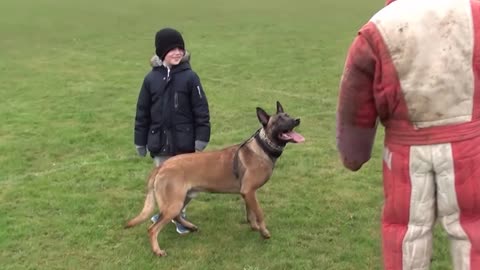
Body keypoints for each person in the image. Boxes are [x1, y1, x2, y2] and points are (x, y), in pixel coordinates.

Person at [336, 0, 480, 269]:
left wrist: (353, 154)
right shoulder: (474, 12)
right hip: (470, 148)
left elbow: (355, 102)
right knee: (474, 230)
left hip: (406, 154)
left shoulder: (377, 28)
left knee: (404, 233)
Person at [134, 27, 211, 234]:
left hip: (184, 144)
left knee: (190, 186)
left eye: (180, 48)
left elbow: (201, 110)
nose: (177, 52)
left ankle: (178, 213)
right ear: (161, 52)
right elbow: (142, 112)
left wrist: (201, 139)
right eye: (172, 49)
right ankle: (169, 212)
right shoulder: (151, 79)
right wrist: (140, 141)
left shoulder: (190, 77)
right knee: (165, 183)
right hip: (160, 144)